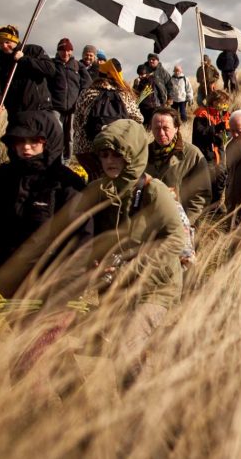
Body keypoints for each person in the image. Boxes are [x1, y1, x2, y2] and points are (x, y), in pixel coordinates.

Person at [86, 120, 187, 386]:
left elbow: (177, 238)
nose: (110, 161)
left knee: (129, 345)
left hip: (156, 287)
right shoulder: (98, 191)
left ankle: (142, 402)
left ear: (132, 155)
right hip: (115, 289)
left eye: (117, 154)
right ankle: (139, 400)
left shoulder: (154, 191)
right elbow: (87, 236)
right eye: (104, 154)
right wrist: (93, 261)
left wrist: (134, 266)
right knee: (124, 351)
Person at [0, 110, 91, 297]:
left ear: (48, 141)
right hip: (6, 277)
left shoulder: (67, 182)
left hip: (49, 284)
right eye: (20, 140)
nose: (26, 147)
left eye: (34, 141)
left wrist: (68, 288)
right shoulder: (4, 175)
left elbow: (81, 239)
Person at [73, 58, 144, 177]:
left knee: (95, 180)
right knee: (110, 181)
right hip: (114, 148)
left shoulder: (87, 93)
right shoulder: (124, 94)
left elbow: (76, 123)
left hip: (85, 149)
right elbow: (139, 119)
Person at [146, 108, 212, 226]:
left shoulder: (192, 155)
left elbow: (202, 195)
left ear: (176, 128)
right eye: (156, 128)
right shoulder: (143, 154)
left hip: (180, 225)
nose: (161, 133)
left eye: (165, 128)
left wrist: (186, 222)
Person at [0, 24, 56, 123]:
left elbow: (50, 69)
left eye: (7, 42)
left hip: (42, 111)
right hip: (17, 115)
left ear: (15, 40)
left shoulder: (34, 50)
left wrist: (24, 59)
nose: (4, 46)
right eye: (0, 43)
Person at [49, 37, 91, 160]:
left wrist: (80, 99)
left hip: (73, 108)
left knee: (70, 136)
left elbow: (87, 83)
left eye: (68, 50)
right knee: (57, 134)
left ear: (71, 51)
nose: (65, 53)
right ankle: (57, 160)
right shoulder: (51, 64)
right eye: (62, 50)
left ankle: (67, 161)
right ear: (58, 51)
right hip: (55, 107)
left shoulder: (77, 65)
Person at [192, 90, 232, 200]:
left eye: (225, 103)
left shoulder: (224, 114)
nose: (224, 105)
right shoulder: (202, 114)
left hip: (219, 152)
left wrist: (223, 138)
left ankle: (217, 202)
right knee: (207, 180)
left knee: (221, 177)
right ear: (214, 102)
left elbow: (229, 131)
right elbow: (200, 133)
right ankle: (207, 203)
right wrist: (216, 128)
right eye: (222, 102)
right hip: (205, 152)